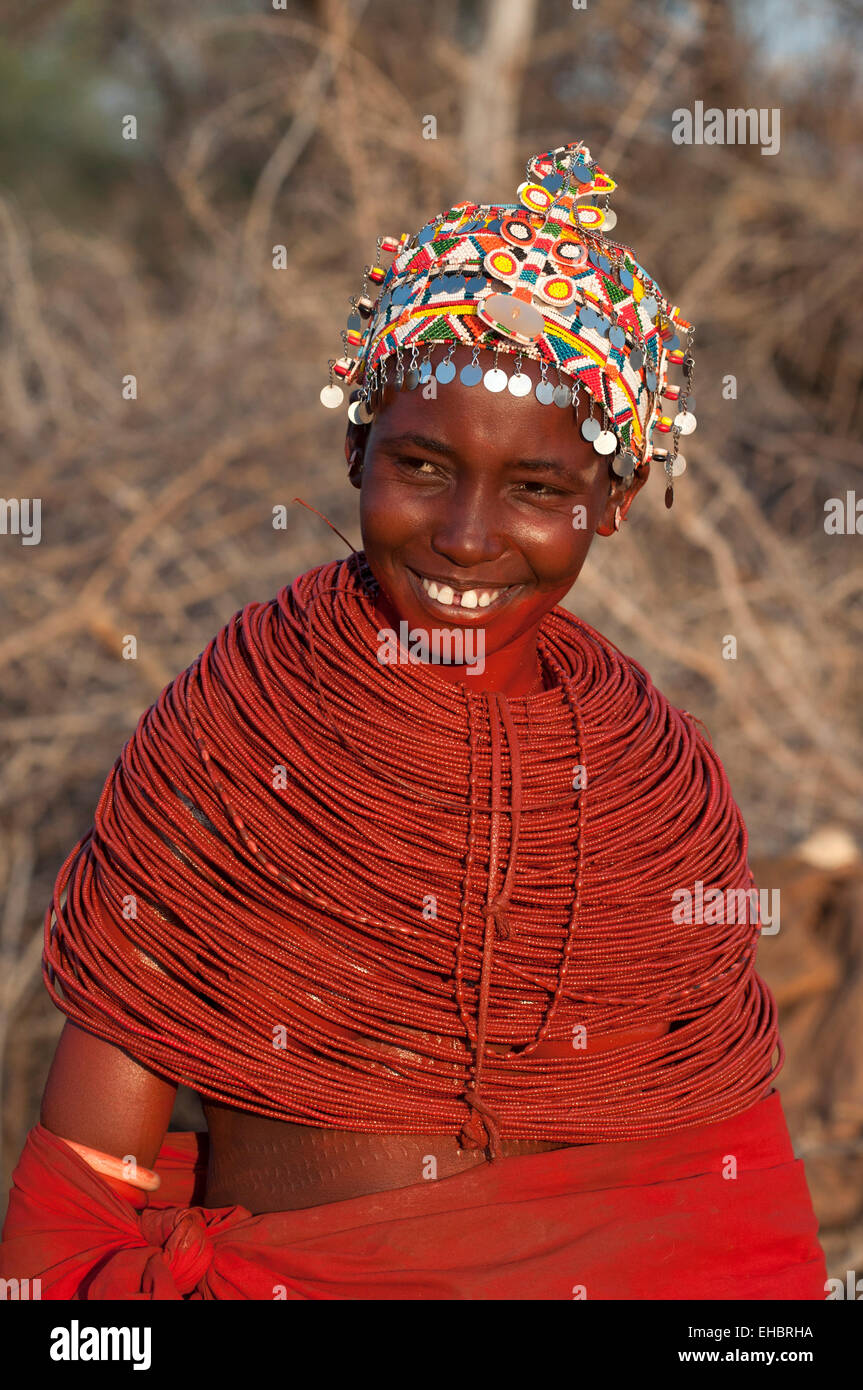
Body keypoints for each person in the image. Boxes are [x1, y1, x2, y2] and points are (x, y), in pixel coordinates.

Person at [0, 140, 827, 1300]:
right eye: (422, 467)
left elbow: (726, 1207)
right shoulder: (237, 733)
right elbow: (84, 1196)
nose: (468, 535)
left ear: (615, 501)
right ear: (355, 451)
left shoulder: (659, 788)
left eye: (537, 489)